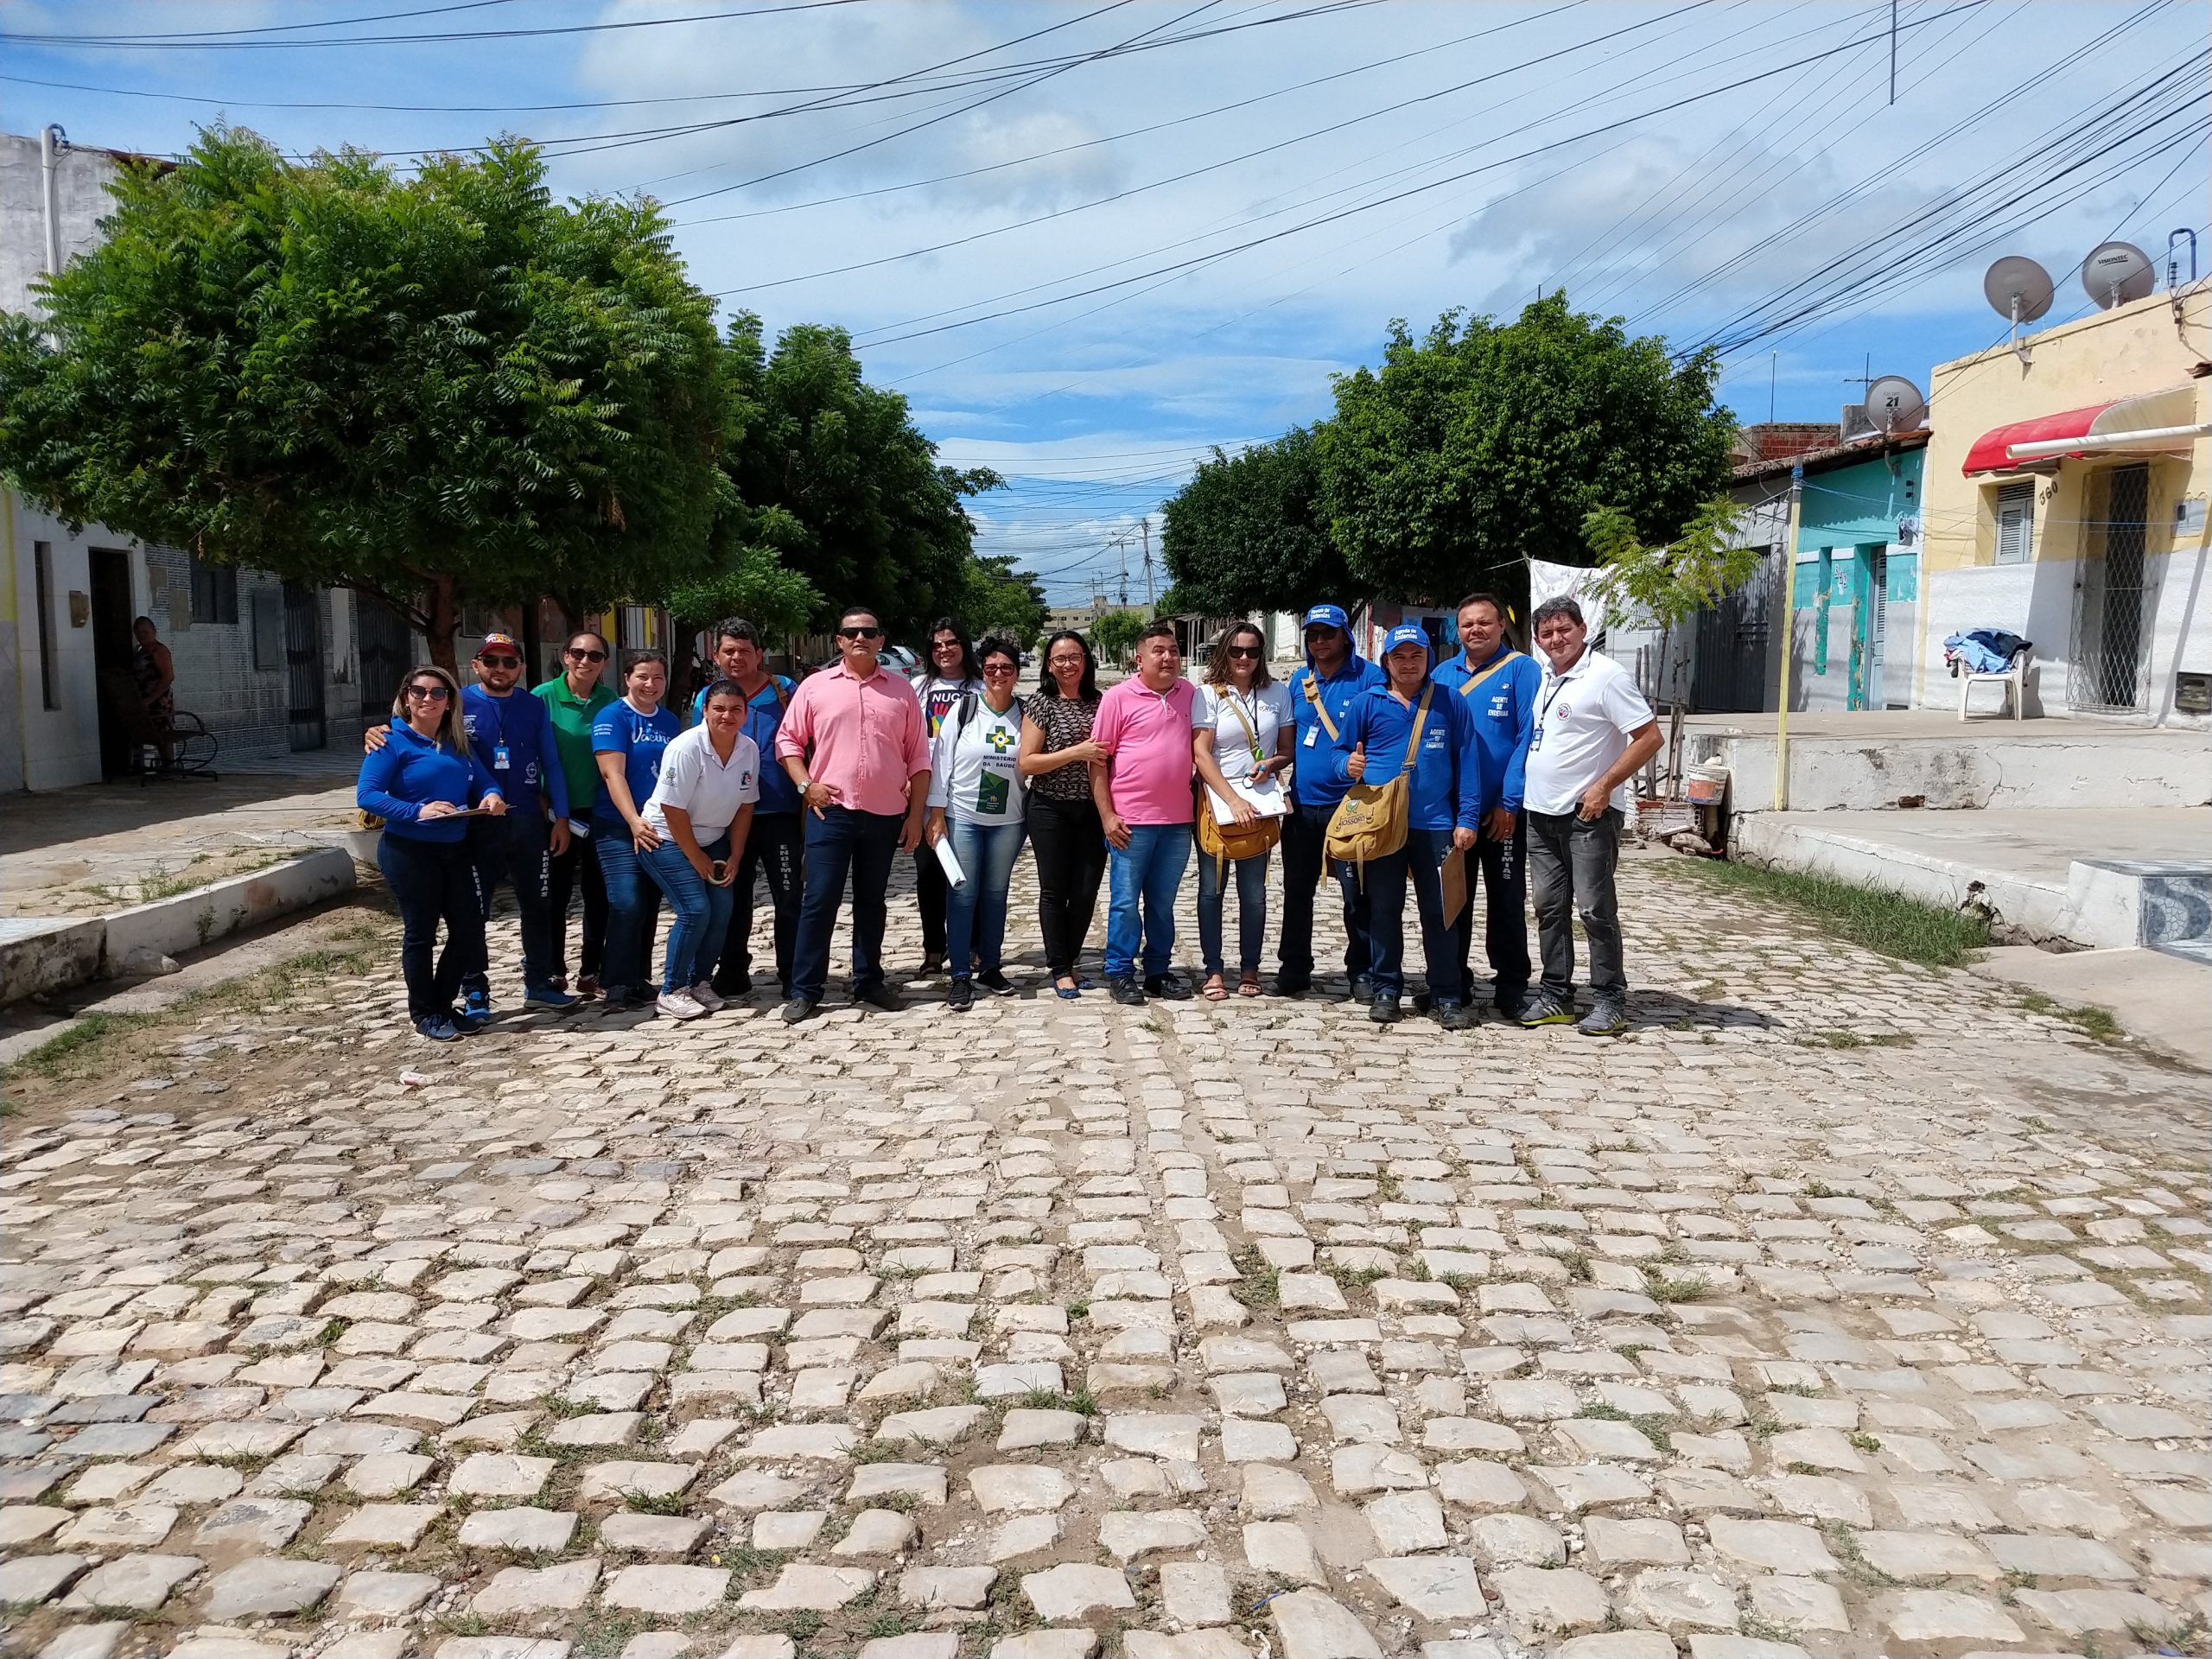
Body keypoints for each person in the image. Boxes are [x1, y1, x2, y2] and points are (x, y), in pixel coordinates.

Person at [775, 607, 931, 1024]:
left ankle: (869, 981)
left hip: (883, 814)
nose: (860, 638)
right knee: (819, 900)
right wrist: (807, 786)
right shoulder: (815, 688)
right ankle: (806, 988)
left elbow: (918, 757)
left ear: (881, 640)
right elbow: (788, 742)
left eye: (869, 632)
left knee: (871, 902)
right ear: (839, 641)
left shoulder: (902, 692)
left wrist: (915, 816)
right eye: (851, 633)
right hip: (831, 814)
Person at [1519, 596, 1662, 1036]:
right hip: (1540, 812)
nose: (1556, 639)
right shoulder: (1545, 674)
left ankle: (1609, 998)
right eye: (1546, 633)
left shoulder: (1605, 676)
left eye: (1564, 629)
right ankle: (1556, 995)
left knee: (1595, 909)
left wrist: (1603, 787)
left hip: (1588, 816)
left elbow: (1649, 737)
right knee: (1548, 908)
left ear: (1583, 629)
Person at [1332, 623, 1485, 1027]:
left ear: (1428, 658)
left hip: (1435, 825)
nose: (1408, 663)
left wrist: (1467, 819)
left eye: (1416, 655)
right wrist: (1347, 765)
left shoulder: (1451, 702)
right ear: (1386, 662)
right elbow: (1339, 753)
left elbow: (1468, 763)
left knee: (1442, 912)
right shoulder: (1368, 702)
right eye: (1399, 657)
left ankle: (1446, 994)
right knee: (1383, 909)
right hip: (1381, 823)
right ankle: (1386, 989)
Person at [356, 664, 506, 1041]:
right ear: (406, 697)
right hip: (410, 851)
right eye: (419, 691)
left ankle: (443, 1005)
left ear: (449, 701)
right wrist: (417, 810)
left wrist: (492, 796)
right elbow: (368, 795)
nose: (428, 699)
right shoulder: (389, 740)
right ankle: (424, 1013)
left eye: (438, 693)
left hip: (456, 848)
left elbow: (484, 780)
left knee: (469, 929)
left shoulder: (456, 742)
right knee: (421, 935)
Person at [1433, 592, 1541, 1020]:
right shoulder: (1442, 673)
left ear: (1501, 625)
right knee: (1452, 900)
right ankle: (1453, 980)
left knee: (1506, 900)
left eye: (1484, 622)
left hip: (1501, 813)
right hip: (1453, 812)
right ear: (1457, 630)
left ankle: (1512, 984)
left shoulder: (1521, 670)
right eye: (1467, 624)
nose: (1475, 630)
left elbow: (1526, 739)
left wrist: (1509, 803)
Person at [455, 632, 575, 1015]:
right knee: (473, 908)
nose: (501, 669)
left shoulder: (533, 704)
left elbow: (552, 762)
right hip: (478, 821)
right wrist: (377, 731)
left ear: (520, 668)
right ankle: (474, 988)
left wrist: (561, 817)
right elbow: (410, 726)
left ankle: (538, 982)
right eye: (492, 661)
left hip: (526, 819)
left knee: (538, 904)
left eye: (509, 662)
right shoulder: (456, 702)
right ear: (477, 665)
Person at [694, 619, 803, 1001]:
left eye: (744, 650)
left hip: (779, 812)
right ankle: (733, 970)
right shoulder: (707, 697)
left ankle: (794, 973)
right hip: (727, 816)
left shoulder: (785, 691)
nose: (736, 657)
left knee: (788, 894)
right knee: (732, 898)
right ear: (716, 655)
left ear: (759, 653)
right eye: (729, 650)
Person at [1089, 620, 1197, 1006]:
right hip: (1130, 821)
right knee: (1123, 901)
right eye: (1158, 651)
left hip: (1177, 821)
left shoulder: (1190, 694)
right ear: (1139, 658)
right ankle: (1120, 971)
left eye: (1173, 650)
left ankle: (1157, 971)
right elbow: (1097, 762)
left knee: (1163, 903)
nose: (1168, 658)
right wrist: (1107, 815)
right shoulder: (1117, 698)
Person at [638, 678, 760, 1020]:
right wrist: (698, 859)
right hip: (667, 838)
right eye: (719, 709)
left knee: (722, 911)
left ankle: (699, 981)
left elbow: (745, 806)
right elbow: (672, 809)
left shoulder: (748, 749)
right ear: (704, 711)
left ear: (746, 714)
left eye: (736, 710)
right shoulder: (686, 748)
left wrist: (735, 855)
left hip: (714, 837)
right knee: (695, 910)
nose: (727, 716)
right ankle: (671, 989)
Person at [1280, 604, 1384, 998]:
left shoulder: (1371, 678)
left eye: (1327, 633)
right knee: (1297, 891)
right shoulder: (1298, 682)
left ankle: (1362, 970)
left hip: (1353, 806)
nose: (1320, 641)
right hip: (1304, 805)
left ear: (1345, 636)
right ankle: (1294, 967)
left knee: (1357, 895)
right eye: (1313, 635)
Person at [1191, 621, 1294, 1001]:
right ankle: (1214, 969)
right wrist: (1232, 800)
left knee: (1254, 892)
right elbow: (1200, 753)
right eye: (1236, 651)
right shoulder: (1208, 695)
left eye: (1252, 651)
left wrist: (1271, 764)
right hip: (1217, 801)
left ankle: (1250, 966)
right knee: (1210, 890)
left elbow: (1286, 750)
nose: (1244, 658)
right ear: (1223, 654)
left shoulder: (1277, 693)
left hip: (1260, 801)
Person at [925, 635, 1027, 1012]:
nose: (998, 674)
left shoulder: (1026, 713)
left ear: (1017, 673)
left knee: (996, 894)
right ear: (982, 672)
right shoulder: (965, 708)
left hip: (1009, 820)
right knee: (963, 894)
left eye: (1006, 668)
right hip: (964, 816)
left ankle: (990, 965)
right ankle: (960, 977)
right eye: (991, 668)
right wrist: (936, 813)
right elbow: (941, 762)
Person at [592, 651, 684, 1010]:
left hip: (657, 824)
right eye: (643, 676)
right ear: (627, 678)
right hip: (618, 824)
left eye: (658, 677)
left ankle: (636, 978)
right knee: (626, 901)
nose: (651, 684)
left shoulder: (669, 721)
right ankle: (613, 981)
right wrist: (632, 820)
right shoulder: (613, 716)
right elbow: (612, 774)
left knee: (648, 904)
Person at [1020, 630, 1109, 1000]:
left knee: (1086, 891)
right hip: (1049, 808)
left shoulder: (1101, 702)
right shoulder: (1041, 703)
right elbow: (1027, 762)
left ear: (1086, 660)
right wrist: (1076, 752)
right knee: (1055, 890)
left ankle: (1070, 958)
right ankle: (1060, 967)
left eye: (1075, 657)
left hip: (1092, 809)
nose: (1068, 664)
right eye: (1060, 659)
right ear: (1049, 665)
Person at [535, 630, 617, 998]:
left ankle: (592, 970)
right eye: (578, 653)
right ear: (565, 656)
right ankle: (552, 969)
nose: (586, 661)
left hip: (600, 811)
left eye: (595, 656)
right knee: (555, 893)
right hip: (554, 812)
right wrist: (550, 810)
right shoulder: (542, 698)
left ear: (605, 663)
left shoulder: (610, 700)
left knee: (599, 894)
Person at [912, 619, 981, 979]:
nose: (944, 650)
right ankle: (933, 949)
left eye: (951, 643)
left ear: (964, 646)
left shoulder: (980, 688)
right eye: (937, 645)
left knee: (968, 874)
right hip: (925, 794)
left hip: (968, 795)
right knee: (929, 873)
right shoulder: (918, 688)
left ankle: (970, 947)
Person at [131, 617, 175, 769]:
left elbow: (168, 677)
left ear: (154, 632)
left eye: (145, 632)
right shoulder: (138, 652)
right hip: (141, 699)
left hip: (158, 700)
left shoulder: (159, 651)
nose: (142, 636)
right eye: (138, 633)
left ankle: (168, 766)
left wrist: (150, 699)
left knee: (163, 735)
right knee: (144, 732)